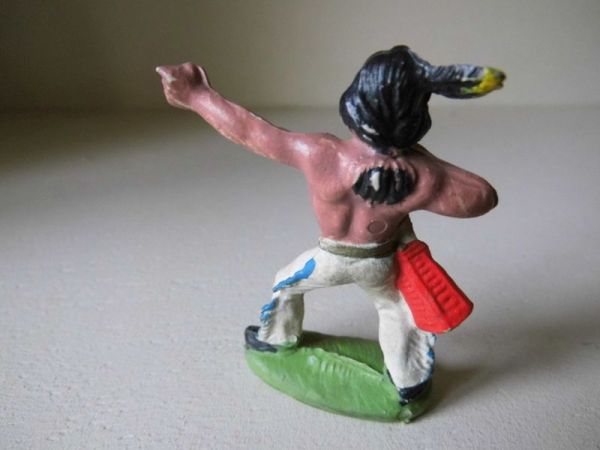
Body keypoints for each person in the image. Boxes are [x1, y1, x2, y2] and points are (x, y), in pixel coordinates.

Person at [156, 45, 504, 404]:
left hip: (331, 258)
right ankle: (408, 382)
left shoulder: (322, 153)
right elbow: (482, 197)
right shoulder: (422, 175)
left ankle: (275, 339)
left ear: (356, 103)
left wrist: (197, 96)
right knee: (395, 310)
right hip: (380, 263)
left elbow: (251, 132)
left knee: (286, 285)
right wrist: (423, 162)